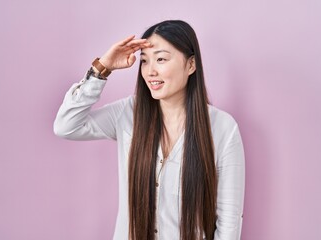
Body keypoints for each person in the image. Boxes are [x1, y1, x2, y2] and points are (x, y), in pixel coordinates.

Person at [54, 20, 245, 240]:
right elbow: (66, 125)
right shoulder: (129, 113)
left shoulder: (222, 128)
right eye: (144, 61)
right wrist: (102, 68)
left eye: (161, 59)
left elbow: (229, 220)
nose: (150, 71)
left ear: (191, 65)